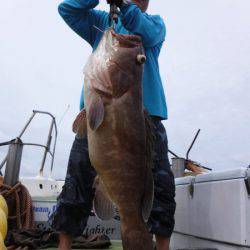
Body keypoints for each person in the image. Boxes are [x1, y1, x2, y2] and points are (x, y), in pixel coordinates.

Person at [50, 0, 176, 249]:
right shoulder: (102, 22)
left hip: (146, 122)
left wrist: (126, 6)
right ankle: (64, 245)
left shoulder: (154, 24)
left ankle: (161, 246)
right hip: (96, 115)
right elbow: (68, 9)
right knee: (77, 181)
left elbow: (146, 31)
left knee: (161, 186)